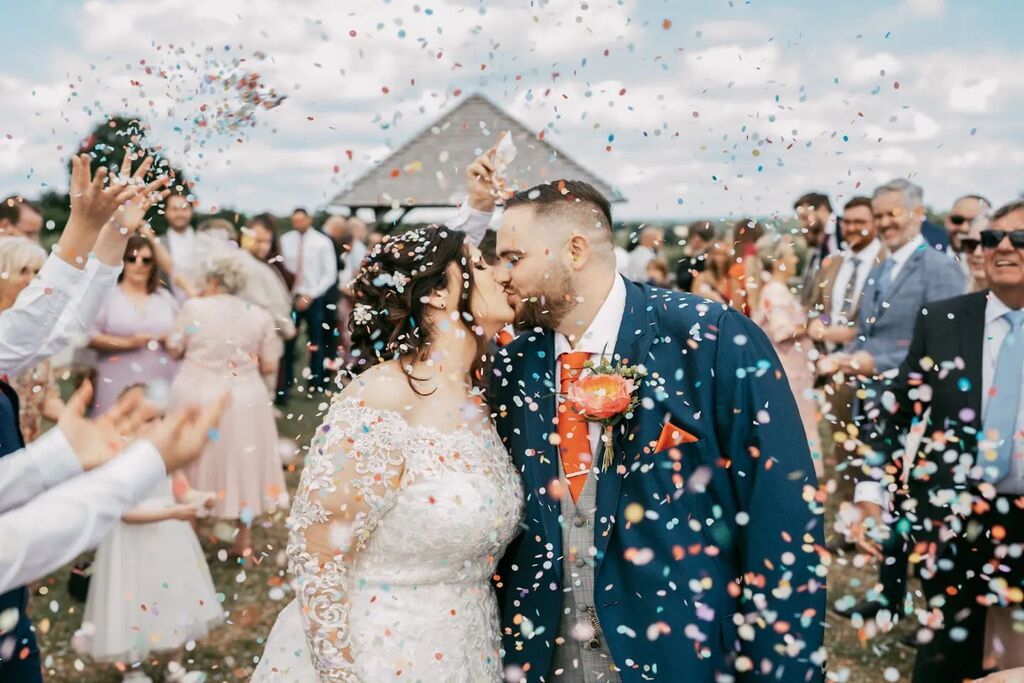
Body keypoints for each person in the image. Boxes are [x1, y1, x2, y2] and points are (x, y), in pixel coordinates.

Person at [485, 180, 824, 682]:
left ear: (575, 250)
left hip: (683, 657)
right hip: (546, 659)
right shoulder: (513, 366)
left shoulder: (711, 338)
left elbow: (782, 515)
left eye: (513, 257)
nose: (501, 275)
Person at [254, 226, 522, 681]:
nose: (501, 275)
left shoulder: (481, 398)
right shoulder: (381, 396)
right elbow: (317, 552)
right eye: (479, 265)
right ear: (437, 293)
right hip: (382, 651)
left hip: (469, 649)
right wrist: (340, 673)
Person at [850, 200, 1024, 682]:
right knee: (945, 651)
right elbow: (899, 412)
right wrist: (870, 492)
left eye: (1020, 238)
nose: (1004, 247)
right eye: (992, 239)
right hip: (954, 514)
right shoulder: (944, 320)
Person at [825, 178, 965, 622]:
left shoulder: (939, 267)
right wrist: (850, 359)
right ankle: (889, 594)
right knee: (881, 496)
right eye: (879, 214)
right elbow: (869, 332)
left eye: (891, 214)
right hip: (877, 399)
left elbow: (945, 340)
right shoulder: (884, 267)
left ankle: (942, 611)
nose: (884, 223)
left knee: (917, 503)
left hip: (919, 404)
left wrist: (873, 360)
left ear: (918, 214)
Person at [74, 393, 221, 683]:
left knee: (176, 596)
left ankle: (174, 665)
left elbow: (181, 490)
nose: (158, 424)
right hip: (130, 544)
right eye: (149, 419)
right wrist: (174, 512)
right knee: (131, 597)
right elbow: (126, 514)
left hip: (170, 541)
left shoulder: (168, 453)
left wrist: (202, 498)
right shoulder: (118, 458)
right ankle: (134, 668)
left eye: (160, 418)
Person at [166, 256, 287, 559]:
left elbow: (174, 346)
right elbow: (271, 364)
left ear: (213, 281)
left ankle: (191, 532)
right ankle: (243, 540)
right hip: (245, 397)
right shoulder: (259, 314)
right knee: (243, 464)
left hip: (196, 393)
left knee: (191, 459)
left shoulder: (194, 308)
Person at [805, 197, 885, 510]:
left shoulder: (887, 262)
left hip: (872, 368)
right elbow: (821, 309)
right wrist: (820, 326)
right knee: (842, 451)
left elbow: (887, 324)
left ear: (874, 223)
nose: (851, 228)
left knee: (874, 450)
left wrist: (840, 333)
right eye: (847, 222)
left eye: (859, 222)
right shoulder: (834, 262)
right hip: (832, 372)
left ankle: (877, 520)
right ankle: (849, 519)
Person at [750, 233, 823, 478]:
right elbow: (782, 330)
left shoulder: (774, 289)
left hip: (794, 370)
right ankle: (802, 478)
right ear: (779, 260)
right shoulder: (775, 291)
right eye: (791, 255)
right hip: (789, 372)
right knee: (798, 427)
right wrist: (810, 327)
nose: (795, 260)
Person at [88, 235, 180, 414]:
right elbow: (88, 336)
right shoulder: (108, 296)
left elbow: (182, 332)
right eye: (132, 259)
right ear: (123, 262)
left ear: (153, 265)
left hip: (161, 379)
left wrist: (172, 340)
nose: (139, 264)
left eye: (146, 260)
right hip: (116, 378)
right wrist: (129, 343)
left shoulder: (164, 297)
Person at [0, 238, 64, 442]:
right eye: (23, 271)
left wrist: (77, 421)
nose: (31, 280)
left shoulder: (37, 332)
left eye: (37, 273)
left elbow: (47, 398)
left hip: (28, 449)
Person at [278, 208, 339, 396]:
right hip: (290, 297)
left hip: (314, 298)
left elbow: (330, 273)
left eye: (301, 220)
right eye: (294, 220)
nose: (297, 224)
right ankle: (285, 385)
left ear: (309, 220)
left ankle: (316, 383)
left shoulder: (322, 242)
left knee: (316, 341)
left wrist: (311, 295)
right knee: (287, 341)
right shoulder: (285, 240)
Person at [794, 191, 839, 305]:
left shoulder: (845, 231)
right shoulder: (816, 242)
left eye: (805, 217)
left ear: (822, 210)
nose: (802, 225)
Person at [156, 194, 199, 300]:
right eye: (174, 209)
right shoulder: (157, 243)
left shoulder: (204, 241)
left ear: (191, 211)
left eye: (184, 209)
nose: (179, 214)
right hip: (167, 306)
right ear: (166, 212)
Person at [945, 194, 991, 280]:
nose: (964, 228)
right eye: (957, 220)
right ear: (947, 221)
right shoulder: (925, 257)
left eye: (974, 221)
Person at [247, 213, 296, 291]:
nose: (264, 247)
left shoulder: (274, 262)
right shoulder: (239, 262)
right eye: (259, 241)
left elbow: (289, 281)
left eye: (267, 242)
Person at [674, 220, 715, 292]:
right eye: (693, 236)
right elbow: (680, 281)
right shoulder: (689, 256)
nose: (696, 240)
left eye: (701, 237)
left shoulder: (710, 258)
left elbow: (686, 281)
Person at [691, 237, 733, 303]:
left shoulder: (732, 279)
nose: (720, 258)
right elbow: (694, 302)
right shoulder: (701, 278)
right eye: (717, 253)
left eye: (724, 254)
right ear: (711, 255)